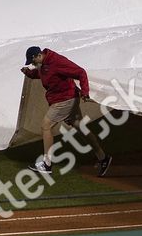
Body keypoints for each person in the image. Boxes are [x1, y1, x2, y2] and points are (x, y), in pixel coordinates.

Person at [21, 46, 111, 176]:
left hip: (65, 100)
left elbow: (81, 72)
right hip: (63, 99)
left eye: (32, 61)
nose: (32, 64)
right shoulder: (44, 64)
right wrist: (29, 73)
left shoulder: (56, 61)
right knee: (79, 126)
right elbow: (45, 74)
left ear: (38, 56)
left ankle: (47, 164)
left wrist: (85, 91)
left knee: (46, 125)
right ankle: (103, 158)